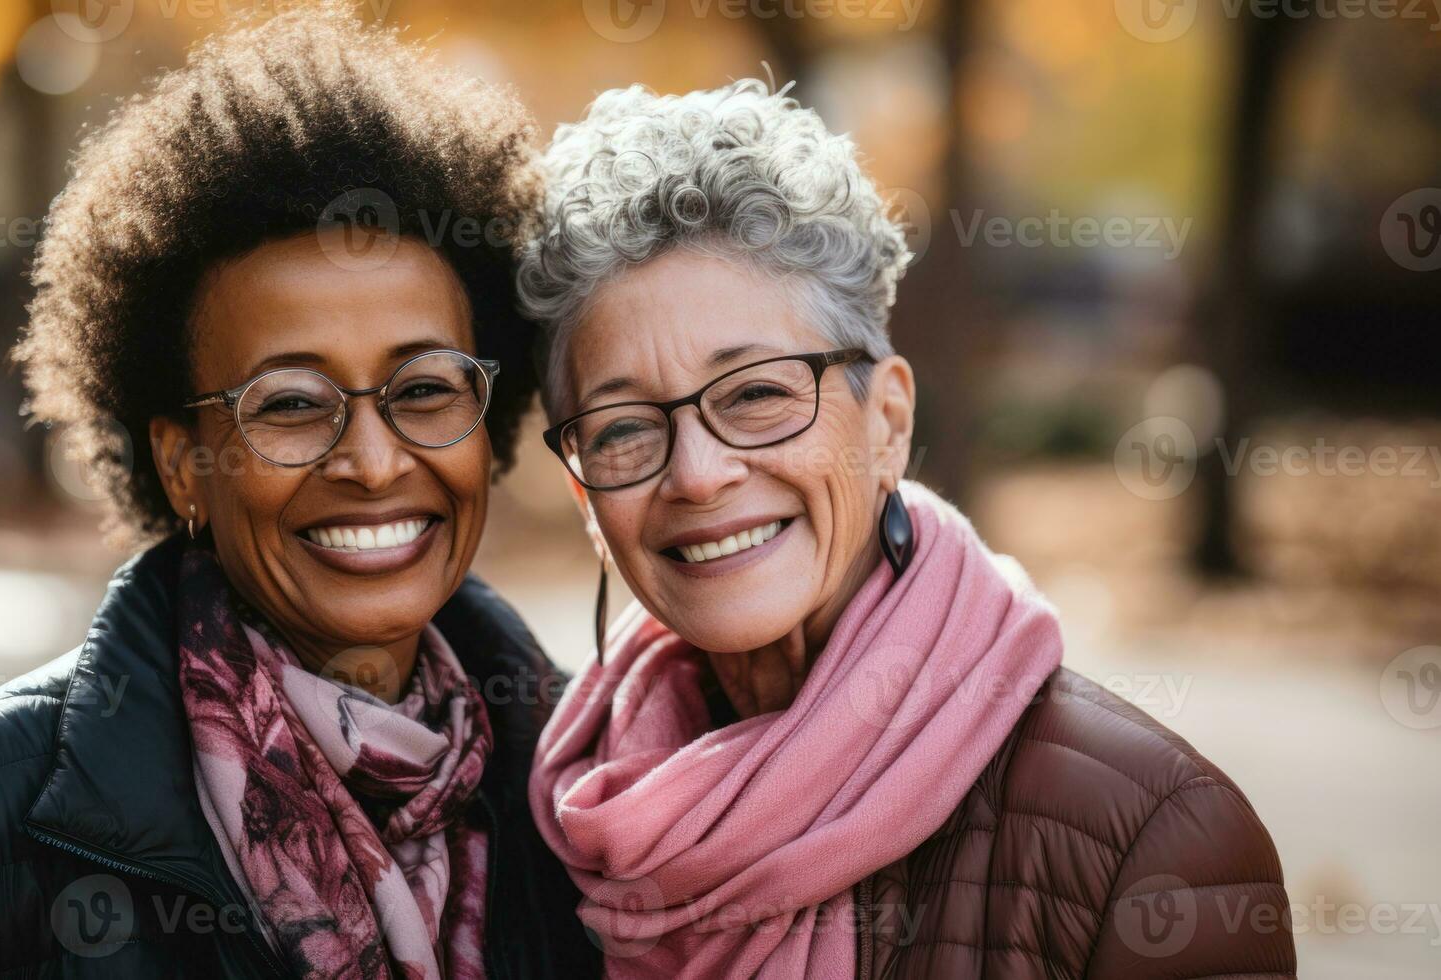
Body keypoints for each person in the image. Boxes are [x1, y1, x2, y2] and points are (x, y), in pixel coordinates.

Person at [0, 7, 597, 977]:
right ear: (181, 463)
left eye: (424, 389)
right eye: (290, 404)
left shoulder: (597, 795)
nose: (374, 462)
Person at [519, 79, 1296, 979]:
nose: (696, 474)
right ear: (586, 499)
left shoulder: (1155, 849)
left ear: (886, 424)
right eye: (622, 429)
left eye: (758, 395)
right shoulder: (552, 819)